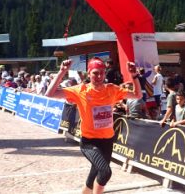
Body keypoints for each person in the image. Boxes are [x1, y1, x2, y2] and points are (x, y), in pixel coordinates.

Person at [46, 57, 142, 194]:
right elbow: (49, 93)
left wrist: (134, 76)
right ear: (89, 73)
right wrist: (62, 71)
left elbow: (137, 95)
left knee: (92, 179)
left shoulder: (112, 89)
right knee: (105, 172)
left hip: (107, 141)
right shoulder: (80, 90)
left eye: (102, 73)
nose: (99, 76)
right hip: (89, 142)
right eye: (95, 73)